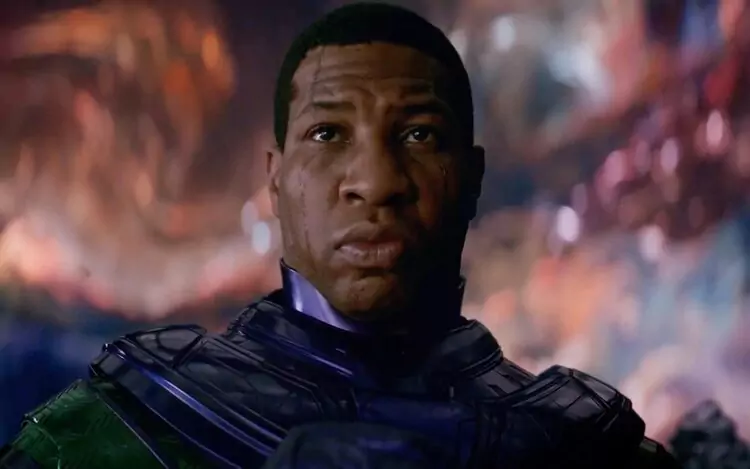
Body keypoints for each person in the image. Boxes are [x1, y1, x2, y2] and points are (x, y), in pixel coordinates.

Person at [0, 3, 680, 468]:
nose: (376, 181)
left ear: (470, 177)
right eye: (328, 134)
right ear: (276, 178)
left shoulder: (582, 446)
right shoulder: (118, 428)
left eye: (419, 135)